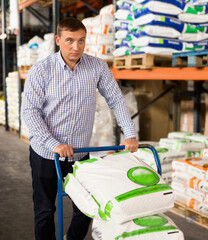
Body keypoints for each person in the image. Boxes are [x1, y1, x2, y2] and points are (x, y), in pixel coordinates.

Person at [22, 18, 139, 240]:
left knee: (86, 207)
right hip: (46, 153)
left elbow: (115, 99)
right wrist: (53, 144)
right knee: (45, 210)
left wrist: (130, 134)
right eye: (69, 40)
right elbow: (30, 112)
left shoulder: (97, 67)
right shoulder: (41, 70)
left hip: (79, 153)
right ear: (58, 40)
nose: (76, 47)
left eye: (81, 41)